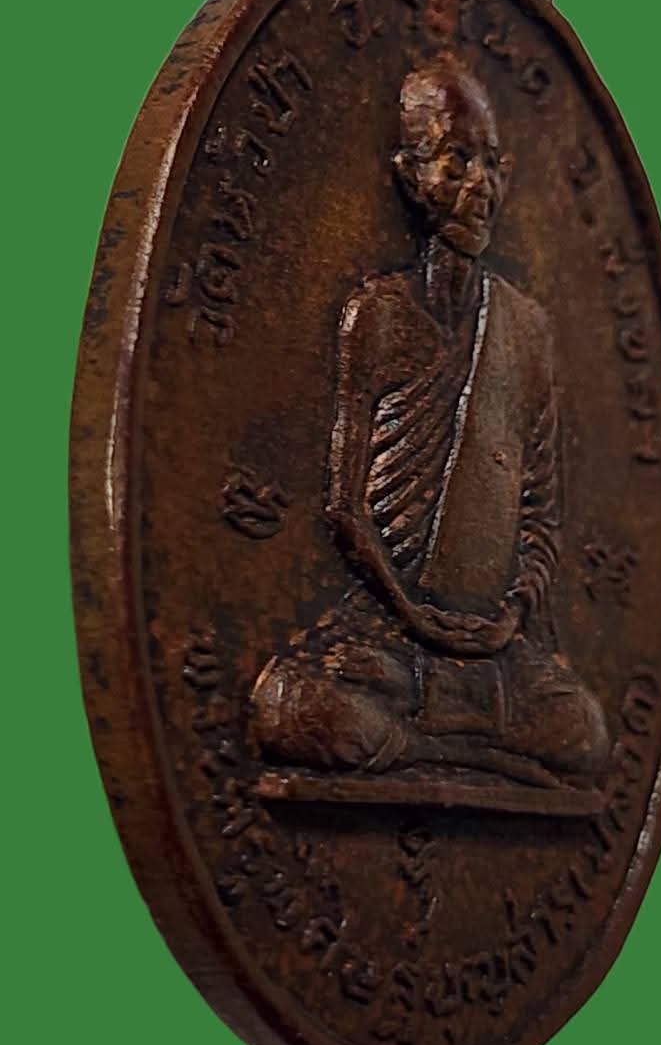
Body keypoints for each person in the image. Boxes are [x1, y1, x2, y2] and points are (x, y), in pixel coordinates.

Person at [251, 58, 608, 783]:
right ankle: (453, 750)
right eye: (455, 161)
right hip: (388, 630)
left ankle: (423, 740)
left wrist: (507, 620)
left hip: (494, 652)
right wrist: (414, 616)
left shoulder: (527, 331)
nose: (480, 186)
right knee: (288, 705)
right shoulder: (377, 315)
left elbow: (542, 516)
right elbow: (346, 509)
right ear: (411, 176)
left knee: (588, 735)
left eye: (491, 164)